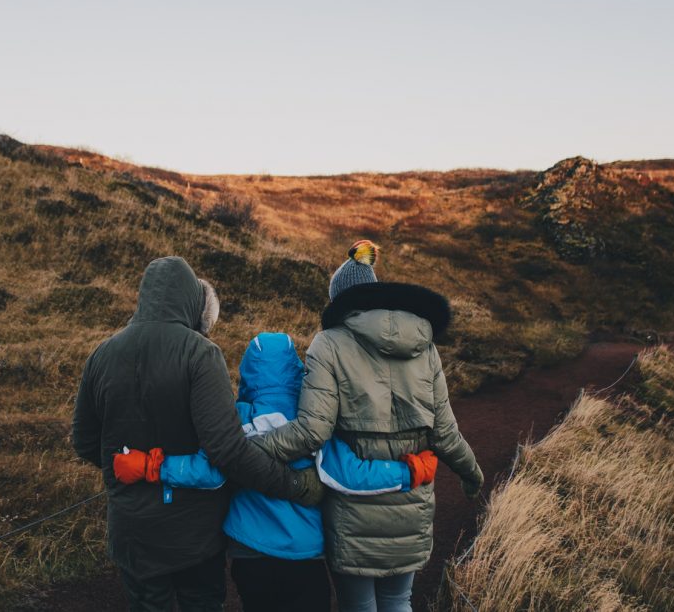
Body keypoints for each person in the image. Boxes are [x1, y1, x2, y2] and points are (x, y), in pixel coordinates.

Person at [116, 331, 440, 611]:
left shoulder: (234, 417)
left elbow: (210, 471)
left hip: (249, 552)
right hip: (304, 554)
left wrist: (150, 466)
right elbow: (349, 474)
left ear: (247, 372)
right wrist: (408, 471)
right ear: (297, 370)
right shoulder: (315, 418)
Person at [71, 257, 325, 612]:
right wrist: (293, 485)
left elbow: (84, 442)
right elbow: (228, 451)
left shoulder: (101, 355)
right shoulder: (200, 354)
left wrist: (134, 468)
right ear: (190, 300)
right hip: (194, 533)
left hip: (132, 530)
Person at [252, 240, 485, 612]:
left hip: (353, 506)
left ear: (340, 300)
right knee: (398, 601)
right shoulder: (424, 345)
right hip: (411, 503)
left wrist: (249, 448)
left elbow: (312, 432)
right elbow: (444, 431)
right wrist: (471, 473)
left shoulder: (329, 344)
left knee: (358, 606)